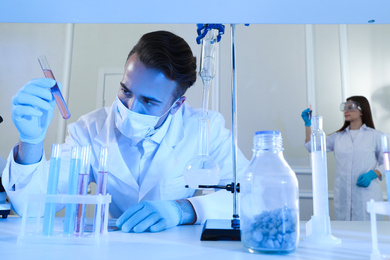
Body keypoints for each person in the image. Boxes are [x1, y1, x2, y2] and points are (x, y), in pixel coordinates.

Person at [2, 31, 248, 232]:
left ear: (176, 105)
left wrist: (182, 210)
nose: (131, 107)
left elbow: (251, 196)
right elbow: (33, 208)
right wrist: (31, 142)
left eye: (149, 101)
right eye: (126, 91)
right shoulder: (89, 129)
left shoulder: (206, 128)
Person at [301, 96, 384, 221]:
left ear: (362, 111)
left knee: (368, 233)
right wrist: (308, 125)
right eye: (344, 108)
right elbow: (313, 148)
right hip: (343, 195)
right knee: (345, 232)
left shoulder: (376, 136)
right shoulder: (338, 137)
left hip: (367, 194)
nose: (346, 111)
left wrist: (373, 174)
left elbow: (387, 163)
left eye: (350, 108)